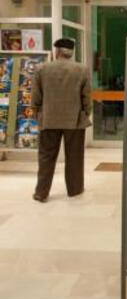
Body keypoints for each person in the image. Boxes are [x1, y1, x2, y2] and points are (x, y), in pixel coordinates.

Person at [31, 38, 92, 202]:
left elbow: (36, 96)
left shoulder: (41, 69)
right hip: (74, 120)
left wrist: (37, 113)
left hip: (48, 119)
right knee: (75, 157)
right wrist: (86, 113)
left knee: (46, 157)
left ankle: (41, 192)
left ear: (56, 51)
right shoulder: (82, 70)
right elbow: (86, 97)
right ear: (71, 52)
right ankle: (75, 189)